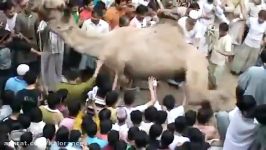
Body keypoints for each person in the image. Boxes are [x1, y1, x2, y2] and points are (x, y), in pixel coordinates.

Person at [232, 10, 266, 74]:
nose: (261, 20)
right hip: (248, 41)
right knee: (241, 56)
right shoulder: (252, 20)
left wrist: (263, 41)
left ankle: (245, 72)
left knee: (251, 60)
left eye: (263, 19)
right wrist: (240, 34)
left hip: (257, 44)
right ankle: (235, 70)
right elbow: (244, 25)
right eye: (260, 18)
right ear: (258, 16)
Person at [38, 20, 65, 92]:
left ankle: (57, 89)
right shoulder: (44, 22)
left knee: (58, 70)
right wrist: (48, 28)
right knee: (46, 71)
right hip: (48, 50)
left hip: (59, 50)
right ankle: (47, 90)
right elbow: (40, 36)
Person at [14, 0, 40, 73]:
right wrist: (21, 36)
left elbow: (38, 30)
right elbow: (17, 31)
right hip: (23, 44)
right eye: (28, 5)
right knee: (23, 66)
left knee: (33, 66)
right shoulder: (19, 16)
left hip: (33, 43)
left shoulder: (36, 16)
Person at [208, 22, 233, 88]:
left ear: (226, 31)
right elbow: (210, 32)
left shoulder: (228, 39)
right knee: (210, 73)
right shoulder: (217, 32)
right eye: (220, 31)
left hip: (220, 62)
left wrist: (219, 51)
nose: (220, 32)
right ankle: (209, 84)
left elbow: (228, 53)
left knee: (216, 76)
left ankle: (214, 86)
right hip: (213, 58)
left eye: (222, 32)